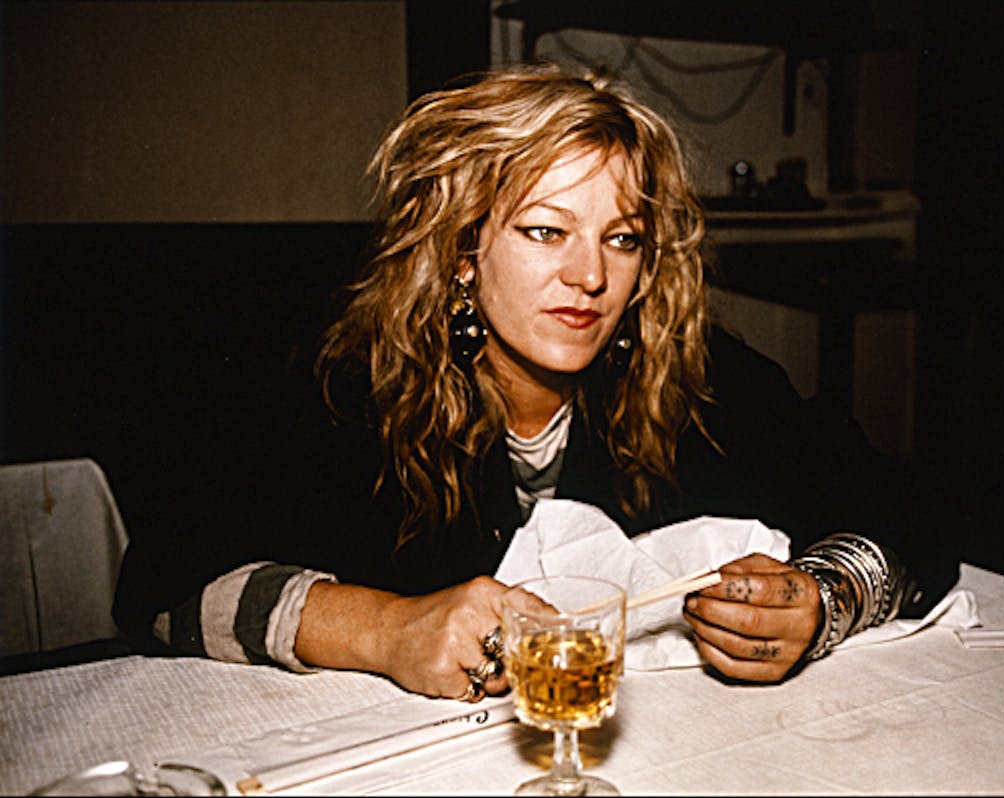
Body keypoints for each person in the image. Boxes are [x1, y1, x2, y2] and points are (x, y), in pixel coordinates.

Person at [114, 64, 953, 703]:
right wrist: (386, 629)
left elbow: (903, 509)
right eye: (547, 231)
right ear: (463, 249)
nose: (590, 276)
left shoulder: (696, 380)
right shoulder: (348, 387)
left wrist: (825, 598)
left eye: (622, 239)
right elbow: (161, 585)